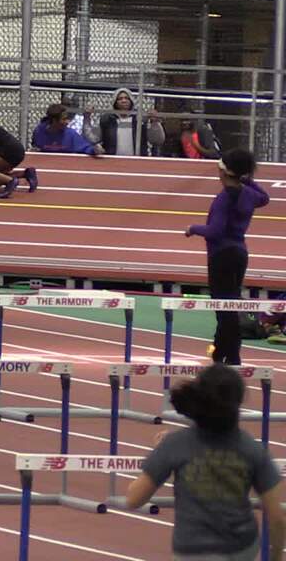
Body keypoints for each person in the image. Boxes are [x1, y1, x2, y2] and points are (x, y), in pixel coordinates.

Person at [125, 364, 285, 560]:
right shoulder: (252, 449)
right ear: (239, 402)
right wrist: (276, 554)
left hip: (192, 550)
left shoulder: (175, 444)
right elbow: (276, 516)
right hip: (240, 548)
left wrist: (159, 453)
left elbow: (134, 499)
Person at [185, 149, 270, 365]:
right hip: (240, 254)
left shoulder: (224, 198)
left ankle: (229, 354)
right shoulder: (248, 195)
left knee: (224, 308)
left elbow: (215, 231)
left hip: (221, 255)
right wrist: (247, 179)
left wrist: (193, 228)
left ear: (225, 172)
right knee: (231, 304)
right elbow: (265, 198)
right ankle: (221, 351)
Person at [99, 88, 165, 156]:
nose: (123, 101)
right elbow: (97, 138)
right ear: (115, 101)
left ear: (131, 100)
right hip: (112, 161)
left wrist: (155, 123)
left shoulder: (140, 119)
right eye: (120, 99)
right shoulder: (107, 119)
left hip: (137, 161)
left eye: (126, 98)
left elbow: (157, 140)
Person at [31, 104, 103, 156]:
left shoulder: (71, 134)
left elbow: (86, 148)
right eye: (64, 119)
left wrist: (95, 150)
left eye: (67, 118)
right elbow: (36, 148)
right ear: (54, 120)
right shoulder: (39, 131)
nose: (67, 122)